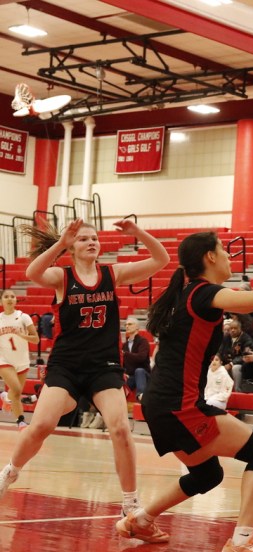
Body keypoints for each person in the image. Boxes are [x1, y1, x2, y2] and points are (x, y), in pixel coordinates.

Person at [115, 230, 253, 552]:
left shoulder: (187, 294)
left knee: (206, 474)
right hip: (177, 405)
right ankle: (241, 544)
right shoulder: (202, 292)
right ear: (210, 257)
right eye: (224, 252)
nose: (230, 258)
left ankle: (141, 519)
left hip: (162, 404)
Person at [0, 218, 169, 517]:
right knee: (41, 425)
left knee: (119, 429)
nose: (91, 242)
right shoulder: (61, 277)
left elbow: (161, 259)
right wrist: (61, 243)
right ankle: (11, 470)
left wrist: (138, 233)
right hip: (66, 365)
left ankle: (130, 502)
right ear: (73, 247)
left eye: (94, 238)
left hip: (104, 366)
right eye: (83, 239)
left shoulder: (111, 274)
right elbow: (31, 272)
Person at [0, 289, 39, 429]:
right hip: (4, 360)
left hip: (22, 361)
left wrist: (23, 336)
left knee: (16, 393)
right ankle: (21, 421)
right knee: (16, 389)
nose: (10, 299)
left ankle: (6, 397)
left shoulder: (23, 317)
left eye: (12, 296)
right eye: (6, 297)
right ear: (1, 301)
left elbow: (36, 339)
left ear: (16, 300)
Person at [219, 316, 253, 392]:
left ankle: (238, 390)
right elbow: (220, 351)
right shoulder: (226, 337)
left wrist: (231, 364)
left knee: (235, 368)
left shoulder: (246, 339)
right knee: (215, 366)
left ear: (240, 329)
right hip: (227, 362)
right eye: (231, 328)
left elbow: (245, 356)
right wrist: (218, 360)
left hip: (241, 365)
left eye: (235, 328)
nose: (232, 330)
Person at [122, 316, 151, 401]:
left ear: (137, 327)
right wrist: (124, 373)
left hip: (144, 375)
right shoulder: (124, 345)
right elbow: (123, 363)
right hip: (131, 377)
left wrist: (126, 354)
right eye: (126, 324)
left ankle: (141, 396)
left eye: (130, 324)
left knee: (139, 371)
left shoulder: (143, 342)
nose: (127, 326)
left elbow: (141, 357)